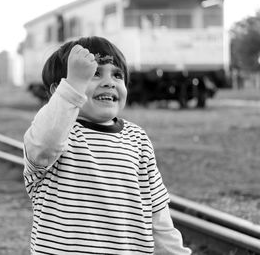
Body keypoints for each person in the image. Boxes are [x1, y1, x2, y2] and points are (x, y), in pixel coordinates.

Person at [23, 36, 191, 255]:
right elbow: (45, 145)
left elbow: (158, 215)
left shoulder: (137, 139)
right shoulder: (56, 135)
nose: (109, 82)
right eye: (93, 74)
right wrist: (73, 86)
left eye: (117, 75)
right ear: (58, 90)